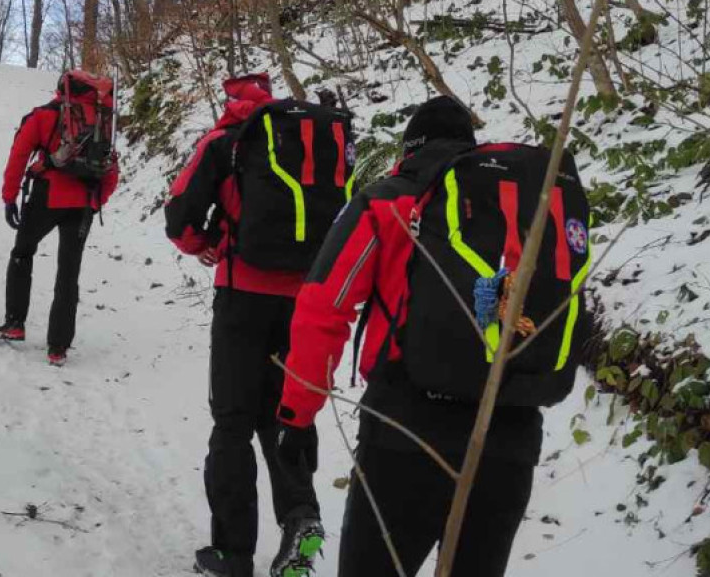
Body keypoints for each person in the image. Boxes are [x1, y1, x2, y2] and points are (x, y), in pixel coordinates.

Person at [276, 95, 561, 577]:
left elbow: (325, 307)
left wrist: (297, 416)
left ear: (409, 149)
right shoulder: (524, 207)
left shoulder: (388, 201)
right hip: (509, 433)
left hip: (405, 431)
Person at [165, 72, 323, 577]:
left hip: (242, 295)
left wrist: (204, 243)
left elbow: (179, 215)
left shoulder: (226, 140)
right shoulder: (303, 141)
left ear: (232, 101)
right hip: (300, 301)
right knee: (286, 414)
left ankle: (233, 554)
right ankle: (301, 514)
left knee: (232, 422)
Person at [0, 70, 119, 366]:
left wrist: (9, 197)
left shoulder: (44, 115)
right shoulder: (102, 118)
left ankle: (15, 323)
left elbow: (18, 156)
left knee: (23, 252)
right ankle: (58, 348)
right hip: (83, 203)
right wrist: (96, 201)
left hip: (47, 197)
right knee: (69, 272)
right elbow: (111, 166)